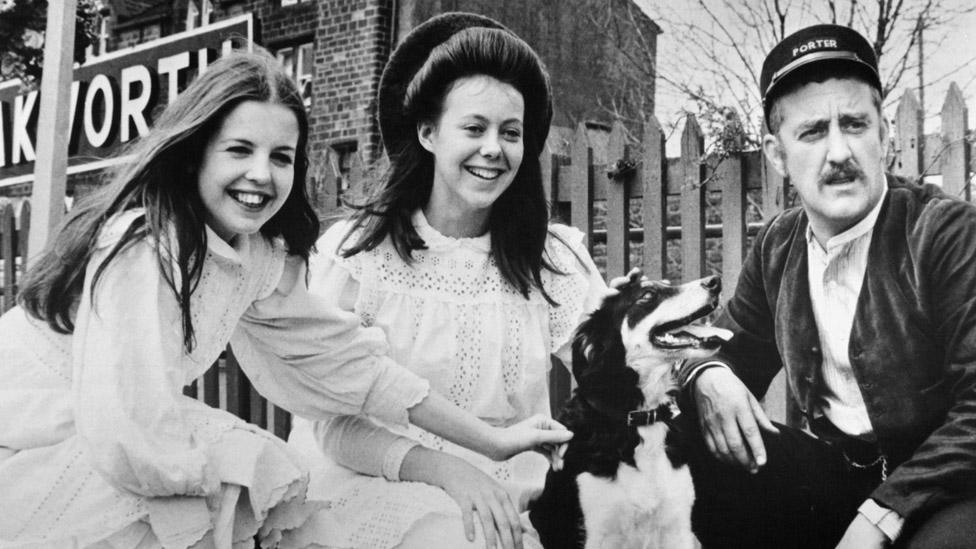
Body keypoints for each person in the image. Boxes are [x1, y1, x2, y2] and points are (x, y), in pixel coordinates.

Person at [0, 48, 572, 548]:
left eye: (280, 158)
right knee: (216, 488)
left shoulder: (255, 259)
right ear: (196, 150)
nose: (260, 175)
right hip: (40, 423)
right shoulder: (145, 248)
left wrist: (491, 441)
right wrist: (198, 512)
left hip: (117, 428)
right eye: (239, 150)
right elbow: (127, 420)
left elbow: (348, 366)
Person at [284, 12, 607, 549]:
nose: (493, 150)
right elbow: (329, 423)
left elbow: (620, 366)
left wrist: (705, 376)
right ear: (428, 132)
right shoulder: (357, 255)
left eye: (510, 133)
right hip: (376, 482)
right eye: (474, 128)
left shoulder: (552, 259)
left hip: (515, 496)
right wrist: (453, 474)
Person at [678, 24, 976, 549]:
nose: (839, 151)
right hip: (840, 477)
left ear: (883, 134)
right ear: (776, 153)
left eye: (855, 124)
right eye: (813, 131)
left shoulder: (945, 234)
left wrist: (883, 512)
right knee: (691, 444)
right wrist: (707, 374)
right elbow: (723, 346)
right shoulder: (778, 247)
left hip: (946, 490)